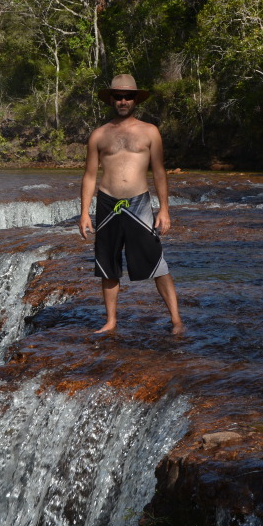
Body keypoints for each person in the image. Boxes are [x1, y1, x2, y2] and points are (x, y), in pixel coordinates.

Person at [78, 74, 184, 335]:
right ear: (111, 99)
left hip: (139, 204)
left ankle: (176, 320)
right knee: (107, 266)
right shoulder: (99, 135)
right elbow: (90, 175)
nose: (123, 101)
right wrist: (83, 213)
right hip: (106, 204)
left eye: (128, 96)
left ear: (136, 100)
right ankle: (111, 321)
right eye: (118, 96)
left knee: (157, 263)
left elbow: (159, 171)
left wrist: (165, 209)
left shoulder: (150, 131)